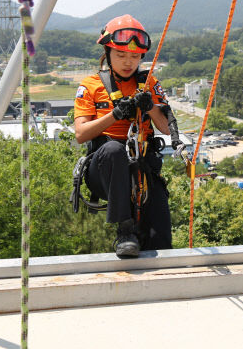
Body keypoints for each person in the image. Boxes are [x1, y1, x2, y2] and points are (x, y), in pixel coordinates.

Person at [73, 14, 174, 258]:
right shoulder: (91, 85)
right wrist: (115, 115)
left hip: (141, 167)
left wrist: (149, 106)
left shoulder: (149, 83)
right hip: (104, 168)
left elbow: (168, 128)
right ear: (107, 54)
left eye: (134, 56)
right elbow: (81, 134)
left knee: (159, 238)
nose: (128, 62)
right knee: (114, 150)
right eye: (120, 55)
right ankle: (125, 229)